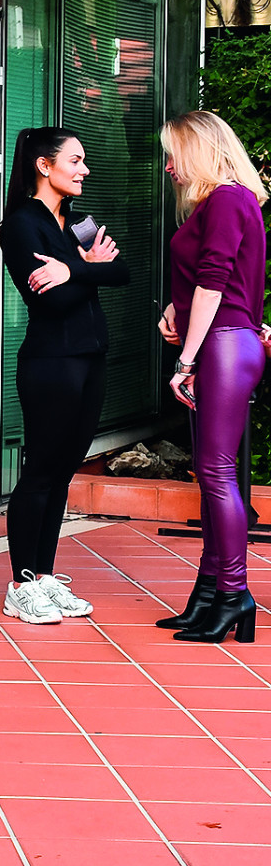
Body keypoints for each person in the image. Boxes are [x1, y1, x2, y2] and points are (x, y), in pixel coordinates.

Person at [0, 127, 128, 624]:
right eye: (75, 160)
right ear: (43, 166)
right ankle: (21, 584)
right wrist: (86, 269)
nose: (84, 169)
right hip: (52, 362)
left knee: (65, 472)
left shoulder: (76, 223)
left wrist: (75, 269)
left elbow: (121, 273)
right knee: (40, 472)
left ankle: (45, 576)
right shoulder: (21, 226)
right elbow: (48, 301)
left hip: (92, 357)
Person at [156, 111, 267, 643]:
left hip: (223, 346)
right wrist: (176, 315)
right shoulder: (227, 201)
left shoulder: (225, 199)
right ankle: (210, 594)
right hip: (225, 341)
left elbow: (215, 283)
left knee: (218, 474)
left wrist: (186, 360)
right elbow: (219, 286)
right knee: (212, 474)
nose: (170, 166)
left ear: (199, 150)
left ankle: (234, 594)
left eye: (174, 154)